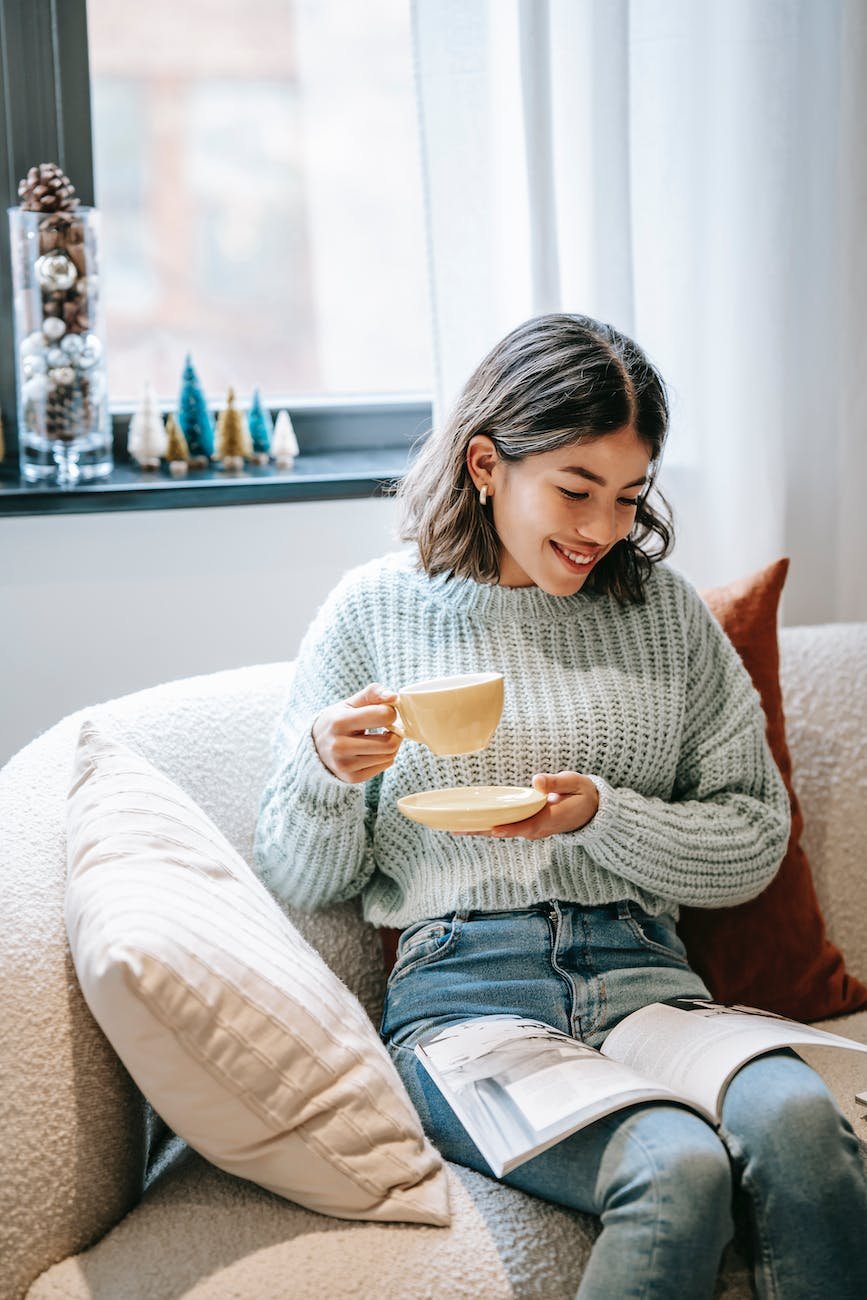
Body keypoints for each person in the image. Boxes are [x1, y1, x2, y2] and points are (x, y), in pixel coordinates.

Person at [254, 313, 867, 1299]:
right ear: (488, 463)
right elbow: (300, 872)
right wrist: (328, 769)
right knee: (676, 1170)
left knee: (803, 1130)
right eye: (576, 490)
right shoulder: (373, 611)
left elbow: (753, 836)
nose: (603, 529)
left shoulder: (663, 616)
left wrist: (601, 817)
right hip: (464, 996)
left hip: (645, 980)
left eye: (629, 497)